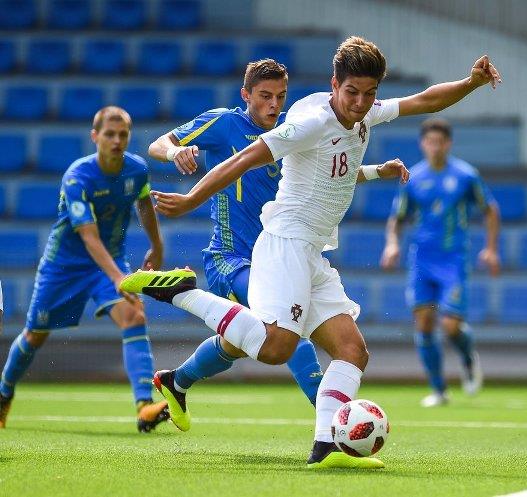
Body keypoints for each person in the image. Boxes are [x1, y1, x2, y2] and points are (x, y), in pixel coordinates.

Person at [121, 36, 501, 468]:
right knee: (277, 347)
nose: (360, 103)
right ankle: (181, 293)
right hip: (284, 243)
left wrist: (470, 83)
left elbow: (425, 100)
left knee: (352, 351)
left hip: (312, 251)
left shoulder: (363, 112)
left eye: (369, 93)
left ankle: (326, 448)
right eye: (352, 92)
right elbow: (244, 158)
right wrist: (191, 198)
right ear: (334, 84)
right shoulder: (310, 122)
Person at [146, 59, 324, 410]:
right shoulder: (225, 123)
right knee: (289, 331)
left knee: (239, 343)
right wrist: (175, 151)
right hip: (230, 258)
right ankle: (332, 420)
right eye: (265, 96)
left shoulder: (289, 131)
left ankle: (176, 381)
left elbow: (329, 171)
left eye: (281, 96)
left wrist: (375, 171)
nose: (274, 104)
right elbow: (158, 144)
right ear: (246, 95)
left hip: (277, 258)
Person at [0, 106, 169, 432]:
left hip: (110, 261)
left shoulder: (137, 170)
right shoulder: (78, 176)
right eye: (110, 134)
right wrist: (119, 278)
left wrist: (157, 246)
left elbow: (144, 203)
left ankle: (144, 407)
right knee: (35, 335)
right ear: (95, 136)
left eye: (123, 135)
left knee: (134, 316)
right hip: (64, 267)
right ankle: (4, 392)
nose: (117, 141)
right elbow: (89, 236)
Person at [380, 118, 500, 407]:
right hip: (422, 260)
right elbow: (397, 218)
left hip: (453, 259)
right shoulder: (413, 178)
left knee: (450, 325)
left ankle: (468, 356)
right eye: (430, 142)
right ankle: (439, 390)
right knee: (423, 323)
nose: (435, 147)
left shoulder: (466, 175)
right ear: (422, 144)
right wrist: (392, 244)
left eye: (440, 142)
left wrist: (491, 249)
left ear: (449, 144)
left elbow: (490, 209)